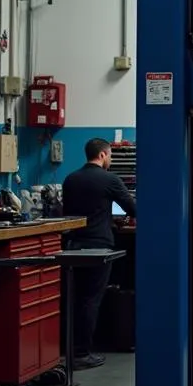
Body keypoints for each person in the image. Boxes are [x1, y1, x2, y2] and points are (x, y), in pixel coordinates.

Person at [61, 138, 136, 369]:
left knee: (73, 298)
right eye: (110, 155)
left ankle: (69, 348)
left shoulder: (70, 179)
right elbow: (133, 208)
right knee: (90, 300)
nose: (110, 159)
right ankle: (83, 353)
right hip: (98, 246)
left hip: (72, 246)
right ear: (103, 155)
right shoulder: (109, 179)